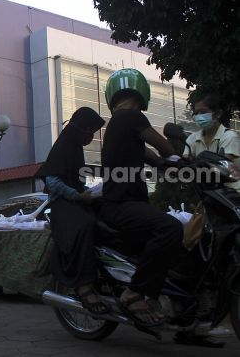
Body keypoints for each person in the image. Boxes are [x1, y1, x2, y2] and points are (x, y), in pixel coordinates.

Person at [100, 68, 183, 327]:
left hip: (124, 203)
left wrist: (163, 164)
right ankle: (135, 292)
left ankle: (178, 306)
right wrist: (178, 157)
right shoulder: (131, 116)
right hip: (122, 205)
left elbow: (148, 154)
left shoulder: (119, 123)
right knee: (169, 227)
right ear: (140, 94)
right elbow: (161, 144)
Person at [36, 107, 108, 314]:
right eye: (89, 131)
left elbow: (75, 182)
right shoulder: (63, 147)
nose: (91, 136)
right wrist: (80, 196)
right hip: (62, 205)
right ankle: (83, 285)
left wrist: (92, 192)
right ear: (79, 129)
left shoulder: (76, 148)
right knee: (85, 225)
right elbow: (53, 181)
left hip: (77, 201)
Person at [183, 92, 240, 192]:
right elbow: (185, 164)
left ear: (217, 114)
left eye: (203, 112)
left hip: (233, 195)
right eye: (196, 113)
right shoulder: (192, 139)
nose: (199, 116)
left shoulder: (229, 137)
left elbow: (223, 169)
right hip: (210, 195)